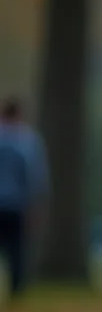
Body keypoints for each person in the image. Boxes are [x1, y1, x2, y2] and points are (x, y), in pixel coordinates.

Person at [0, 96, 49, 297]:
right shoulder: (28, 141)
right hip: (17, 205)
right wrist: (36, 206)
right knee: (16, 251)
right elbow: (36, 176)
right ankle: (17, 291)